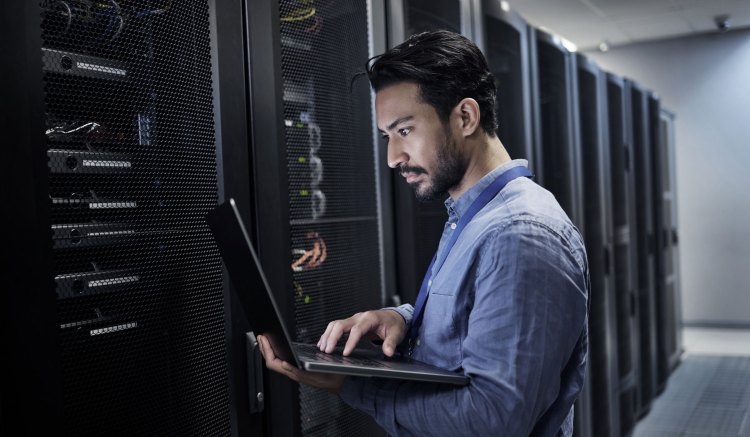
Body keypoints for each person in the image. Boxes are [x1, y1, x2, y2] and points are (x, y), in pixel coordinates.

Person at [257, 30, 589, 436]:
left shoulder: (521, 236)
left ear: (465, 117)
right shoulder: (474, 217)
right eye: (386, 137)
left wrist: (355, 385)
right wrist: (401, 319)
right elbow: (475, 319)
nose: (393, 157)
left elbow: (492, 421)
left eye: (405, 131)